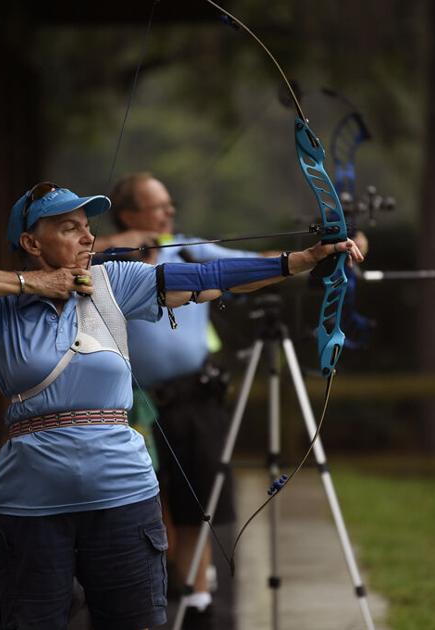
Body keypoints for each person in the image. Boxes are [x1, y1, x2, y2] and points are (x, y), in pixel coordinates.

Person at [0, 181, 363, 630]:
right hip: (30, 501)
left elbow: (208, 278)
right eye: (68, 228)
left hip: (122, 494)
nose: (87, 237)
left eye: (87, 227)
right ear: (31, 242)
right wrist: (32, 283)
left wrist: (301, 260)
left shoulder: (110, 282)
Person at [94, 173, 279, 623]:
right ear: (130, 214)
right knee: (147, 501)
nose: (169, 213)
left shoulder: (190, 250)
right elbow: (67, 260)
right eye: (158, 207)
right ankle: (168, 585)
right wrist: (121, 241)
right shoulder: (108, 261)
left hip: (194, 397)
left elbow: (256, 262)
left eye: (170, 205)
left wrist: (313, 256)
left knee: (198, 499)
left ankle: (197, 597)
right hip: (135, 403)